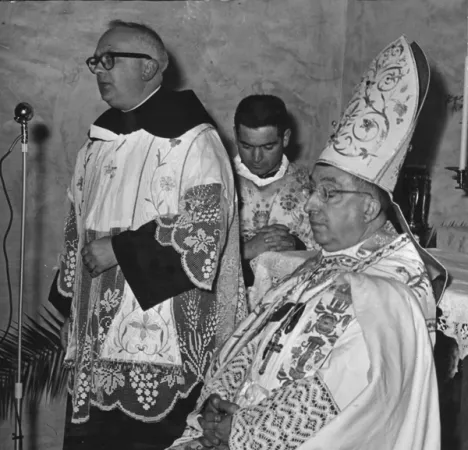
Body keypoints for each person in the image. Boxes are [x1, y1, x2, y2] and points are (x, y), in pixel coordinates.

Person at [168, 36, 448, 450]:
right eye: (315, 190)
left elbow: (337, 394)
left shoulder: (388, 291)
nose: (312, 204)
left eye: (329, 193)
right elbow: (252, 342)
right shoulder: (318, 265)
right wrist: (217, 406)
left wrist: (240, 430)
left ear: (370, 207)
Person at [48, 20, 247, 450]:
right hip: (94, 343)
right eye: (96, 62)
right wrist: (71, 309)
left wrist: (120, 249)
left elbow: (205, 231)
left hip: (158, 343)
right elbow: (75, 229)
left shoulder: (194, 141)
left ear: (151, 67)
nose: (100, 70)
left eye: (110, 59)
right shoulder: (97, 143)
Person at [233, 95, 318, 287]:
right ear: (236, 136)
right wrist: (246, 250)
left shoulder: (307, 186)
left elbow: (328, 253)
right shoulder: (219, 182)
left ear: (285, 138)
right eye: (246, 146)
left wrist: (296, 246)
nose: (256, 157)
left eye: (268, 147)